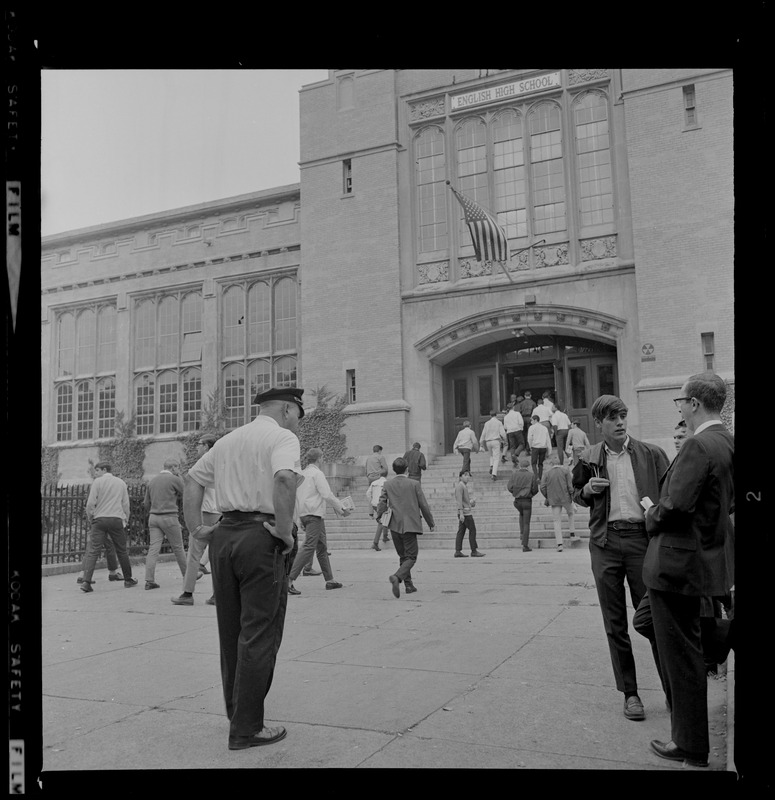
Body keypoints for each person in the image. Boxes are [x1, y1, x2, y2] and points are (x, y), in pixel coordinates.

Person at [183, 386, 305, 750]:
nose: (299, 420)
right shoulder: (281, 437)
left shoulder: (228, 440)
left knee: (231, 630)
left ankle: (238, 713)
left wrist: (196, 530)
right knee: (260, 632)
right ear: (286, 409)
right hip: (260, 536)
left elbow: (192, 480)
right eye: (298, 412)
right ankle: (247, 728)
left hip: (225, 535)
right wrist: (284, 532)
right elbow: (284, 479)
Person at [643, 372, 734, 768]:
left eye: (680, 402)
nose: (679, 408)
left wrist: (650, 512)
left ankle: (691, 745)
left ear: (694, 403)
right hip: (703, 561)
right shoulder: (727, 441)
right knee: (653, 625)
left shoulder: (698, 444)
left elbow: (676, 506)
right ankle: (691, 737)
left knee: (682, 655)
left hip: (678, 566)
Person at [571, 394, 669, 722]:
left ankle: (673, 691)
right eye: (612, 418)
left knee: (655, 617)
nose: (620, 422)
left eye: (623, 416)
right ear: (598, 424)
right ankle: (630, 693)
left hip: (643, 541)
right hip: (605, 543)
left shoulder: (651, 454)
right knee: (615, 624)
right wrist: (587, 492)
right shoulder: (588, 457)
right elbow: (577, 494)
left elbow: (669, 495)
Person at [287, 447, 350, 595]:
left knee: (321, 547)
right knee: (309, 546)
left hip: (306, 514)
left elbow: (296, 498)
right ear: (319, 458)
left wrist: (299, 518)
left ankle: (330, 580)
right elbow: (326, 494)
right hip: (314, 514)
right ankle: (289, 580)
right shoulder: (317, 474)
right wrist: (341, 508)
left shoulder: (302, 474)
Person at [171, 434, 221, 606]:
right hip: (219, 513)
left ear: (207, 446)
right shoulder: (221, 461)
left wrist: (180, 475)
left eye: (199, 444)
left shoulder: (204, 463)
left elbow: (192, 485)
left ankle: (187, 594)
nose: (197, 448)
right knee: (217, 555)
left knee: (194, 554)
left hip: (205, 512)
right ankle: (217, 595)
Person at [376, 457, 435, 598]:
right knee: (411, 556)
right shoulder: (414, 484)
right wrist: (430, 522)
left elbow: (382, 502)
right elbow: (423, 505)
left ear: (393, 470)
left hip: (394, 524)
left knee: (403, 556)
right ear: (407, 469)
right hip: (410, 524)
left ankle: (409, 585)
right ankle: (397, 577)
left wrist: (379, 516)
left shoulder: (388, 484)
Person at [79, 462, 138, 592]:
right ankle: (128, 579)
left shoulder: (97, 482)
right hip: (116, 519)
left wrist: (91, 517)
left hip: (99, 519)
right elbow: (125, 504)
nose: (96, 473)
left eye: (98, 470)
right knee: (122, 550)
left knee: (94, 550)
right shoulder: (121, 483)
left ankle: (86, 582)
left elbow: (90, 504)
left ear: (105, 469)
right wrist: (125, 519)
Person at [143, 459, 187, 590]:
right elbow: (186, 492)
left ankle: (149, 580)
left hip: (154, 517)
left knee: (153, 549)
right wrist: (179, 476)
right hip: (169, 517)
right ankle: (188, 576)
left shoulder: (152, 481)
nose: (178, 470)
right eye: (177, 467)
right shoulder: (174, 479)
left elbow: (146, 503)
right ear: (173, 468)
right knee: (178, 547)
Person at [540, 454, 577, 551]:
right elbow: (570, 486)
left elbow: (542, 487)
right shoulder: (565, 471)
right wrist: (572, 496)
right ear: (560, 463)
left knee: (556, 521)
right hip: (566, 498)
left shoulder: (547, 473)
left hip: (554, 499)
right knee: (571, 513)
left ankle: (559, 544)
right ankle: (572, 533)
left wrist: (548, 496)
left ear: (551, 464)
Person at [507, 455, 539, 552]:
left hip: (517, 500)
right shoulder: (531, 475)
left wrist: (515, 492)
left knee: (521, 515)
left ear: (520, 466)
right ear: (528, 467)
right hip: (527, 500)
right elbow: (535, 489)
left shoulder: (514, 474)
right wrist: (531, 494)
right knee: (526, 523)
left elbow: (509, 487)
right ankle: (525, 545)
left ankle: (522, 534)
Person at [454, 470, 484, 558]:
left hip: (464, 511)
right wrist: (461, 513)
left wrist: (471, 502)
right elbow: (459, 501)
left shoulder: (463, 486)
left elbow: (464, 501)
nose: (467, 477)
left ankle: (458, 550)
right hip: (465, 513)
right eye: (465, 475)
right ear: (460, 477)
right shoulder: (460, 486)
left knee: (461, 531)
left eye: (468, 475)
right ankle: (473, 550)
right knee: (472, 530)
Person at [479, 410, 507, 481]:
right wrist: (505, 440)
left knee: (491, 455)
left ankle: (491, 465)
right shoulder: (498, 423)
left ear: (490, 415)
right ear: (496, 415)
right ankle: (494, 473)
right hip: (496, 441)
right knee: (496, 457)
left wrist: (481, 443)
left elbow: (483, 434)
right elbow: (503, 433)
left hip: (488, 441)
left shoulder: (487, 423)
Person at [366, 469, 389, 550]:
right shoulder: (387, 483)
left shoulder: (373, 483)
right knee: (382, 521)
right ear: (387, 475)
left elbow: (368, 493)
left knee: (384, 519)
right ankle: (375, 542)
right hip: (383, 504)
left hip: (375, 504)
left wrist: (371, 501)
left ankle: (385, 536)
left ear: (379, 475)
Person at [527, 414, 551, 482]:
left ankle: (536, 476)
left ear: (535, 420)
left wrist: (530, 446)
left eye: (531, 420)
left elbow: (529, 438)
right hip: (543, 447)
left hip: (535, 446)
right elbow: (548, 439)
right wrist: (549, 450)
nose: (531, 421)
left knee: (533, 463)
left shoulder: (531, 428)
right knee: (540, 463)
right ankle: (540, 477)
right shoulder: (544, 428)